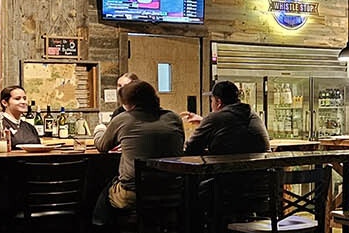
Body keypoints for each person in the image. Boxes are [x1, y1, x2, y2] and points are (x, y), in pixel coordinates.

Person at [92, 79, 184, 225]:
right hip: (172, 192)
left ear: (130, 103)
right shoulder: (173, 118)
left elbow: (102, 146)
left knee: (102, 190)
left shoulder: (123, 119)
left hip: (135, 195)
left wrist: (99, 130)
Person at [183, 80, 270, 156]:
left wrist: (207, 122)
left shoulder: (215, 118)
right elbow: (233, 126)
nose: (211, 104)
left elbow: (191, 148)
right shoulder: (253, 115)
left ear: (218, 101)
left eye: (211, 100)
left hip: (229, 173)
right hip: (260, 171)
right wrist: (203, 121)